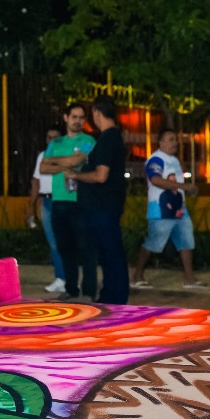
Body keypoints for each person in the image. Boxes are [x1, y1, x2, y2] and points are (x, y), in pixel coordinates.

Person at [64, 96, 129, 305]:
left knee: (111, 253)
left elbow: (101, 175)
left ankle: (115, 297)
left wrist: (76, 176)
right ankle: (111, 294)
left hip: (103, 207)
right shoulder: (112, 137)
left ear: (97, 113)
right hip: (105, 206)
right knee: (109, 253)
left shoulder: (108, 138)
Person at [129, 129, 207, 290]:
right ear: (161, 142)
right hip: (161, 210)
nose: (174, 143)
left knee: (186, 242)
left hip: (179, 210)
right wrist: (183, 186)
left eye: (175, 140)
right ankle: (137, 275)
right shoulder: (156, 160)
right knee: (153, 243)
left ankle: (189, 278)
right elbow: (156, 180)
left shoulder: (174, 160)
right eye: (170, 140)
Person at [39, 104, 98, 300]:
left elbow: (78, 160)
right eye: (74, 117)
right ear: (66, 117)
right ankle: (71, 289)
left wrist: (57, 161)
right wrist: (68, 160)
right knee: (65, 248)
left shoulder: (88, 140)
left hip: (80, 202)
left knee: (86, 248)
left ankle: (89, 290)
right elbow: (43, 168)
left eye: (82, 117)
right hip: (58, 202)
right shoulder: (55, 142)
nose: (78, 121)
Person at [30, 126, 66, 293]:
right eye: (48, 137)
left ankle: (66, 277)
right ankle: (60, 277)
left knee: (64, 241)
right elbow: (36, 182)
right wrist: (31, 207)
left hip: (62, 201)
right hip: (46, 201)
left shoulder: (68, 157)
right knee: (53, 242)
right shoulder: (42, 157)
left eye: (55, 138)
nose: (51, 141)